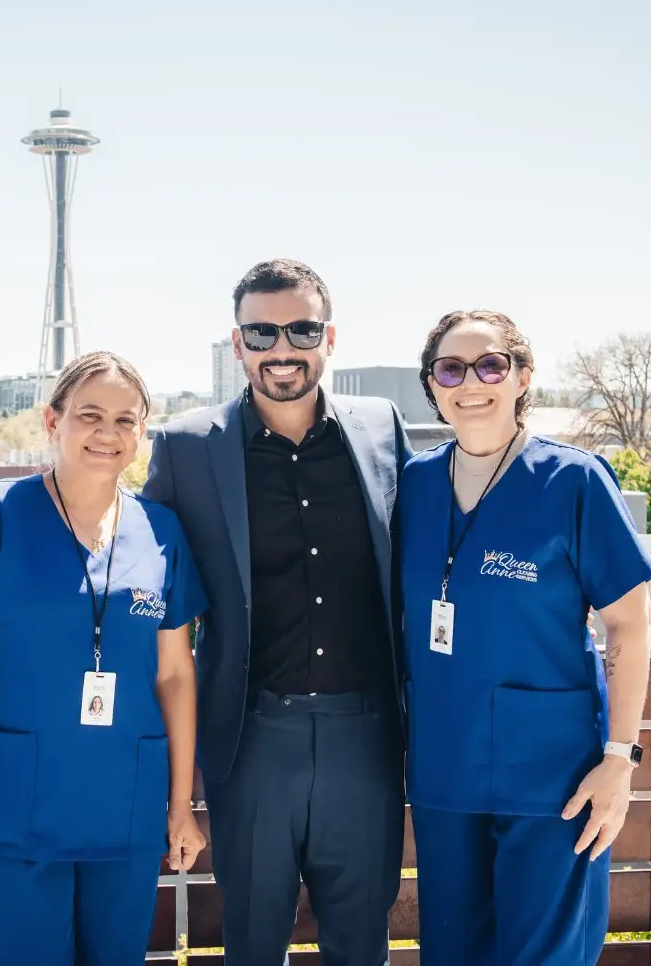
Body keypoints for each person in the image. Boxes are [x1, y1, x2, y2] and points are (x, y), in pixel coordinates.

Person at [144, 260, 411, 966]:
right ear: (237, 344)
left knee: (361, 942)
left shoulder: (381, 426)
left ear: (329, 337)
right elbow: (150, 591)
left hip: (367, 735)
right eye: (261, 331)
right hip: (252, 735)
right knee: (254, 940)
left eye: (301, 328)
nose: (281, 348)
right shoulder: (184, 447)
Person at [0, 351, 209, 966]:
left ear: (143, 433)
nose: (108, 434)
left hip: (126, 804)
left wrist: (180, 807)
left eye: (126, 421)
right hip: (15, 801)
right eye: (90, 416)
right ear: (53, 422)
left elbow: (176, 676)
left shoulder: (160, 532)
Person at [399, 310, 651, 965]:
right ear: (433, 384)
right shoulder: (414, 485)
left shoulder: (574, 481)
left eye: (491, 365)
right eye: (450, 368)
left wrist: (619, 761)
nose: (471, 382)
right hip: (444, 775)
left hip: (554, 779)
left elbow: (628, 620)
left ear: (522, 377)